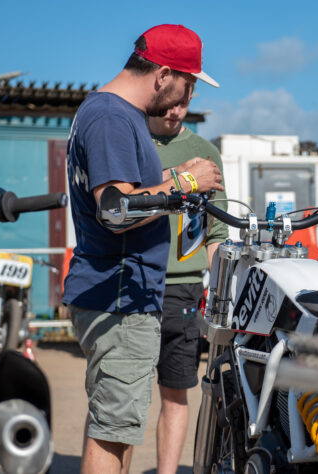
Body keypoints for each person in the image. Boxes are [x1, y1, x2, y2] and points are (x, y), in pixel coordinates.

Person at [63, 24, 224, 474]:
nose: (184, 98)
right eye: (187, 85)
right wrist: (186, 182)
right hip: (120, 296)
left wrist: (174, 183)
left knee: (117, 425)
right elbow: (114, 209)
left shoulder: (112, 113)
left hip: (122, 296)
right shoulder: (113, 118)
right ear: (163, 74)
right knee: (112, 433)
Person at [148, 97, 228, 472]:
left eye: (182, 104)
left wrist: (220, 294)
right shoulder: (131, 143)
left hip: (184, 289)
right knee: (116, 396)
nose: (173, 112)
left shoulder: (205, 152)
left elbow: (217, 232)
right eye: (167, 104)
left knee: (176, 394)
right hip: (133, 283)